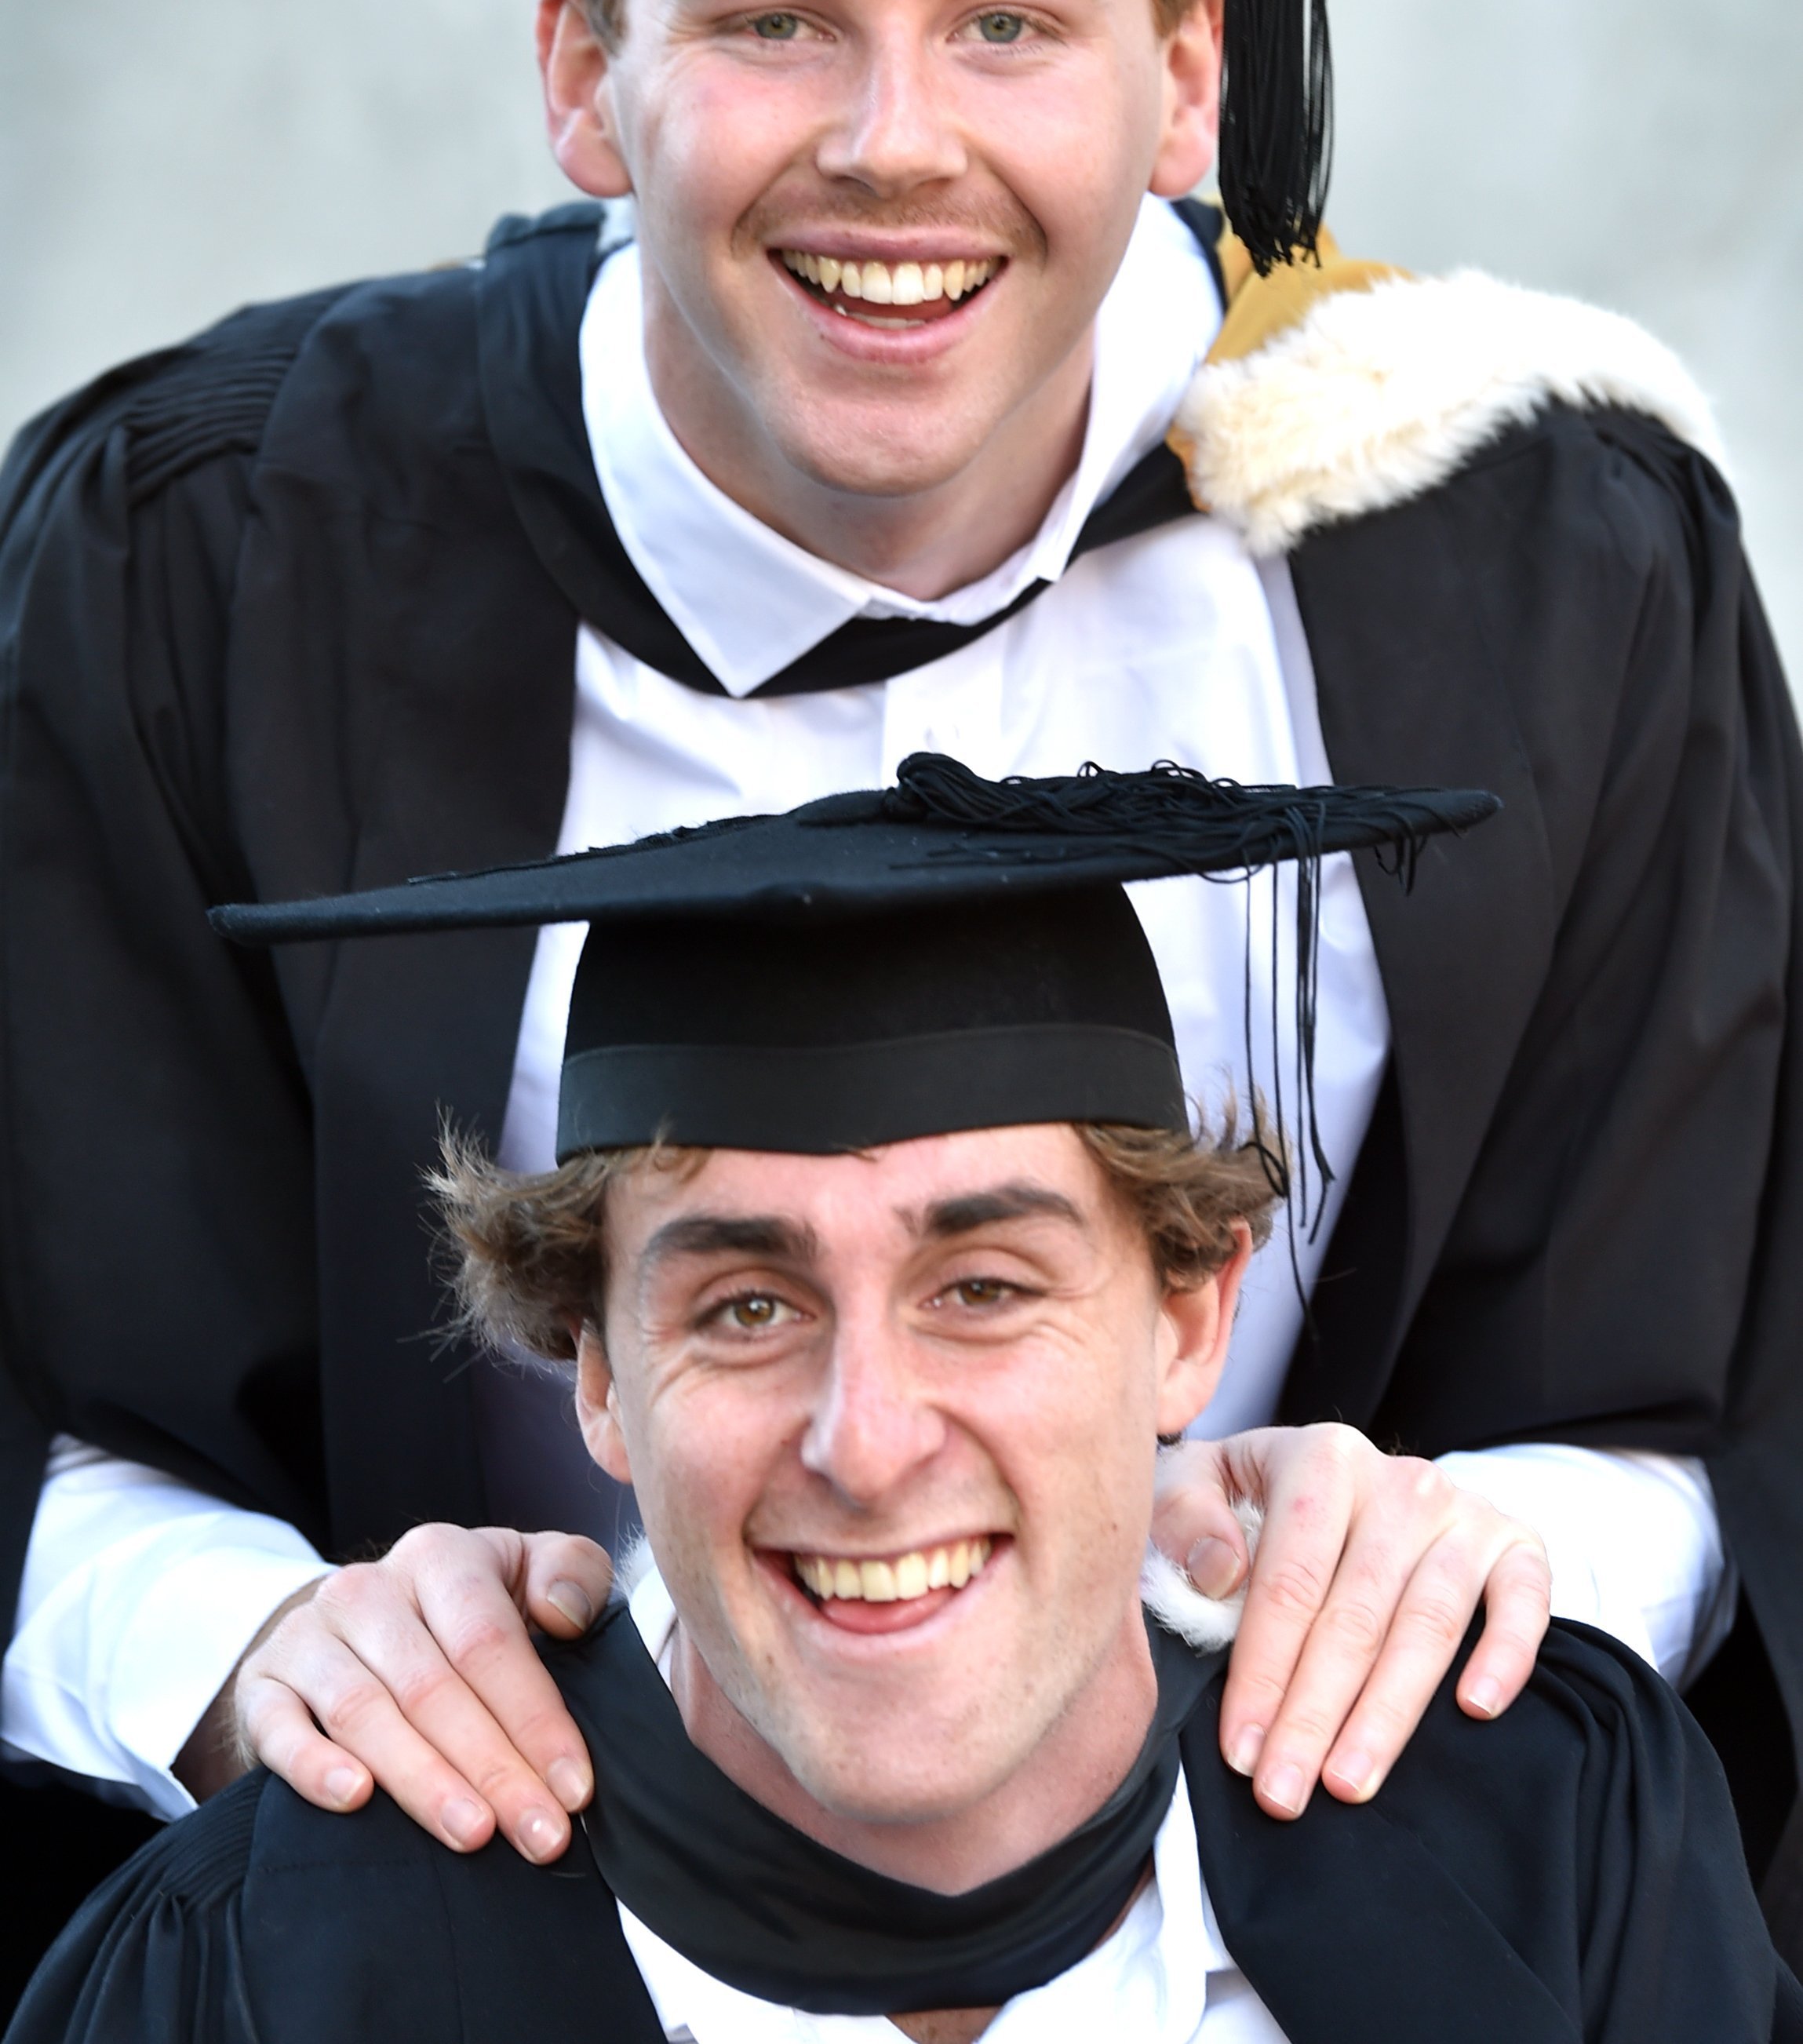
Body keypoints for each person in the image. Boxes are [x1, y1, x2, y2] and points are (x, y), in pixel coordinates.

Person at [0, 0, 1796, 1976]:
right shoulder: (203, 562)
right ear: (582, 80)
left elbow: (1733, 1361)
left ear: (1190, 77)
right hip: (463, 1940)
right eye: (766, 15)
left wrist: (1500, 1553)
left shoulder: (1530, 571)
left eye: (1010, 16)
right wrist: (232, 1642)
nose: (889, 142)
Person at [10, 762, 1797, 2044]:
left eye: (986, 1287)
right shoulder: (261, 1971)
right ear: (599, 1375)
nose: (865, 1439)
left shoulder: (1550, 1840)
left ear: (1192, 1318)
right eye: (747, 1301)